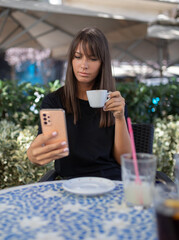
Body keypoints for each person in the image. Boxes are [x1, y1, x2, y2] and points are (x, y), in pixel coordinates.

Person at [27, 27, 131, 180]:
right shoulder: (55, 101)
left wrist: (120, 117)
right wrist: (33, 154)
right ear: (71, 60)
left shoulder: (113, 102)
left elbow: (124, 159)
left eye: (93, 58)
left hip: (111, 182)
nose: (84, 65)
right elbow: (43, 148)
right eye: (78, 56)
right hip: (70, 185)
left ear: (103, 63)